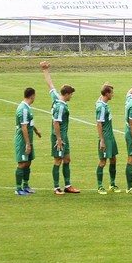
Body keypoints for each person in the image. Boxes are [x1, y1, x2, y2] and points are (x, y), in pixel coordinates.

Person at [41, 61, 80, 195]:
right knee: (58, 160)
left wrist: (45, 70)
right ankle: (56, 187)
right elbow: (56, 123)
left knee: (67, 159)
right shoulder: (60, 106)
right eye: (71, 94)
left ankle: (68, 185)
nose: (72, 97)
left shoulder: (56, 97)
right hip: (58, 136)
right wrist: (58, 139)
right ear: (67, 94)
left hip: (64, 136)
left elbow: (50, 85)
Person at [14, 87, 42, 195]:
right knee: (22, 163)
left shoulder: (27, 107)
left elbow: (29, 123)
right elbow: (24, 127)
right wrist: (27, 144)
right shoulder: (23, 109)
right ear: (32, 96)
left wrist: (36, 130)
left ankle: (25, 185)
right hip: (23, 141)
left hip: (28, 140)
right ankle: (18, 188)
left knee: (28, 162)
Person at [95, 83, 120, 194]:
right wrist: (102, 140)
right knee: (102, 162)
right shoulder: (101, 108)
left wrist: (104, 85)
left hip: (111, 137)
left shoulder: (102, 103)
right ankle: (100, 186)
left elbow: (99, 98)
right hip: (105, 137)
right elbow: (99, 124)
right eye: (111, 93)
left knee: (113, 159)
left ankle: (112, 184)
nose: (113, 95)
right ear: (107, 94)